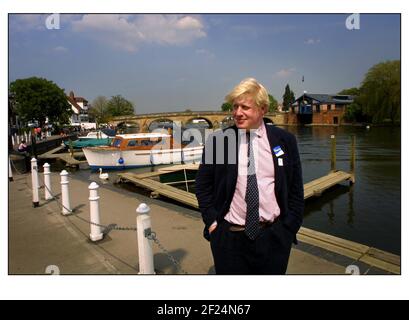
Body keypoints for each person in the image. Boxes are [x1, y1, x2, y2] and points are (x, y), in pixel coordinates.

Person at [195, 78, 304, 274]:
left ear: (262, 109)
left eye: (245, 107)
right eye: (235, 106)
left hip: (275, 237)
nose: (237, 113)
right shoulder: (220, 141)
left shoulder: (284, 141)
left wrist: (290, 227)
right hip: (229, 238)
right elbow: (203, 185)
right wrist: (212, 223)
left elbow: (295, 187)